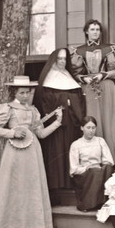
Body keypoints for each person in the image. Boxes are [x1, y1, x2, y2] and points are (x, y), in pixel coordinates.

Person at [0, 75, 63, 228]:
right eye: (22, 92)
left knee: (32, 186)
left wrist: (57, 122)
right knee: (13, 186)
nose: (25, 95)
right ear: (15, 92)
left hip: (33, 151)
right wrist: (12, 132)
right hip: (15, 152)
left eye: (27, 92)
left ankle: (34, 227)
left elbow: (40, 133)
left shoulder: (33, 110)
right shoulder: (7, 108)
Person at [70, 19, 115, 164]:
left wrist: (104, 74)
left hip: (107, 87)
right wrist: (83, 79)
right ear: (86, 32)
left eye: (97, 30)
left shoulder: (110, 48)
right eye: (92, 29)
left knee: (110, 120)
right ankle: (94, 159)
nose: (95, 32)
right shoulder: (78, 51)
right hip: (88, 88)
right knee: (92, 117)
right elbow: (73, 73)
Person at [34, 48, 86, 203]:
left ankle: (70, 184)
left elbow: (79, 100)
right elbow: (45, 102)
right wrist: (65, 101)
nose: (62, 62)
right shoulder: (48, 80)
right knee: (57, 153)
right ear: (54, 60)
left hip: (71, 123)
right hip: (56, 126)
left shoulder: (69, 77)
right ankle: (57, 188)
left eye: (65, 59)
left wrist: (70, 102)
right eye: (59, 59)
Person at [69, 116, 115, 212]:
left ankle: (104, 202)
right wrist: (88, 167)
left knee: (108, 168)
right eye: (88, 128)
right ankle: (88, 204)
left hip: (99, 170)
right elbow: (73, 169)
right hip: (84, 174)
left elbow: (109, 160)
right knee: (94, 171)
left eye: (93, 128)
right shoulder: (76, 144)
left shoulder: (100, 141)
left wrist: (101, 166)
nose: (91, 131)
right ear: (82, 128)